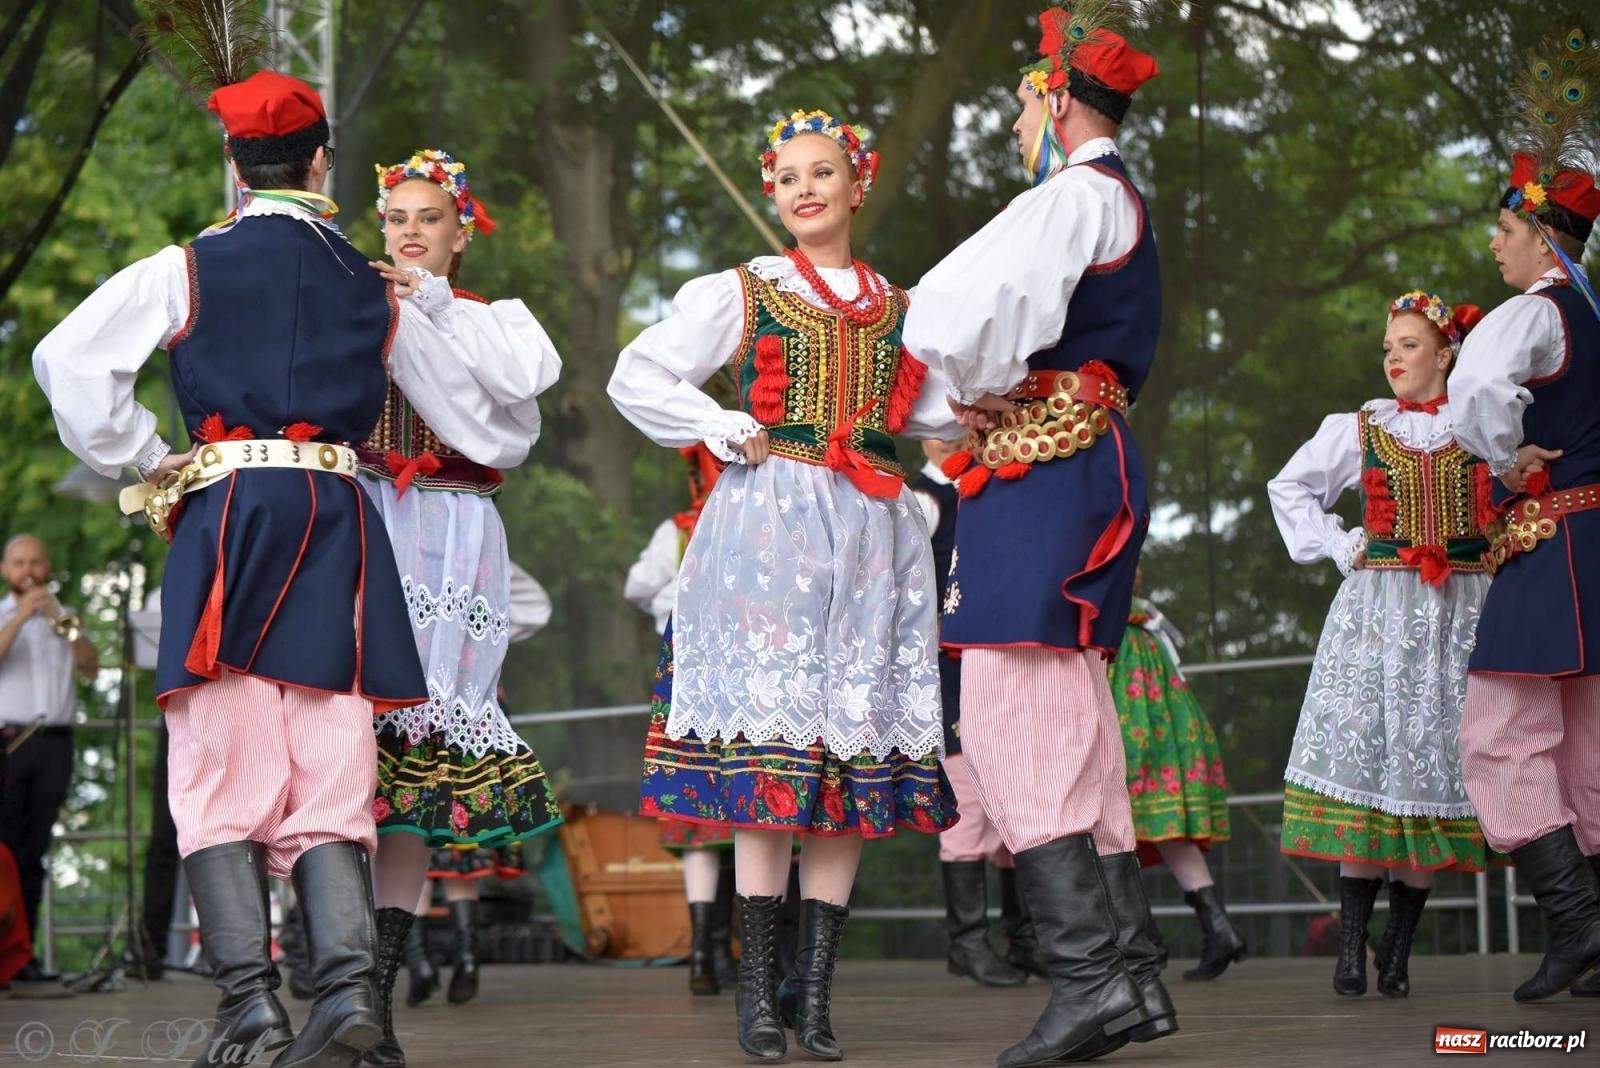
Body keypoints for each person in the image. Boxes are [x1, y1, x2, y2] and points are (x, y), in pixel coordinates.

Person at [31, 61, 497, 1066]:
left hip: (231, 509)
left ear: (235, 164)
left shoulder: (187, 265)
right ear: (320, 159)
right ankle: (346, 996)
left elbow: (66, 363)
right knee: (332, 762)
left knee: (218, 762)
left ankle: (248, 1004)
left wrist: (144, 456)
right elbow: (474, 420)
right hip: (338, 514)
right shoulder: (371, 282)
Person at [610, 107, 962, 1062]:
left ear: (858, 184)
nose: (805, 188)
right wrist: (723, 427)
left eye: (823, 172)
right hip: (768, 527)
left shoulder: (900, 304)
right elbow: (638, 373)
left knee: (843, 762)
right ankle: (758, 995)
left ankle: (817, 998)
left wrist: (983, 405)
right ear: (774, 193)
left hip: (870, 534)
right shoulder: (748, 288)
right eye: (788, 176)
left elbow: (931, 406)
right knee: (773, 754)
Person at [903, 6, 1173, 1064]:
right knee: (1068, 710)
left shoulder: (1069, 195)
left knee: (1015, 711)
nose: (1019, 119)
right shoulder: (1110, 199)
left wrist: (933, 393)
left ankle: (1092, 980)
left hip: (1046, 466)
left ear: (1056, 96)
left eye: (1023, 100)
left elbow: (961, 317)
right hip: (1072, 459)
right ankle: (1132, 977)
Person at [359, 148, 565, 1065]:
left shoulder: (492, 320)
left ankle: (377, 992)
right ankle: (333, 973)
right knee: (346, 744)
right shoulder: (356, 307)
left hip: (453, 532)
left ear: (461, 229)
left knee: (421, 758)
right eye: (397, 216)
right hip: (365, 519)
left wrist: (432, 303)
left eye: (429, 216)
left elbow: (522, 391)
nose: (410, 229)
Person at [1269, 291, 1492, 999]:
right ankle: (1350, 951)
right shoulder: (1363, 426)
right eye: (1388, 347)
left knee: (1431, 771)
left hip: (1454, 617)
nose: (1394, 358)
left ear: (1445, 353)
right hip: (1377, 615)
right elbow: (1291, 486)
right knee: (1367, 766)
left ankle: (1396, 951)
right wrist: (1340, 544)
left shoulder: (1482, 424)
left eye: (1408, 345)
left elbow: (1519, 489)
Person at [1449, 22, 1600, 1003]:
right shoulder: (1590, 317)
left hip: (1552, 542)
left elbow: (1471, 391)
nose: (1493, 245)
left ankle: (1576, 926)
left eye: (1502, 230)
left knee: (1496, 733)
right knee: (1587, 742)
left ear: (1541, 233)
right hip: (1597, 540)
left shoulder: (1535, 311)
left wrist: (1510, 459)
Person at [909, 439, 1029, 989]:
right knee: (969, 794)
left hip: (997, 657)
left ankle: (1023, 939)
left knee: (1011, 793)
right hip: (949, 667)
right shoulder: (923, 498)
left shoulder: (993, 485)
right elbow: (903, 581)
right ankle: (969, 943)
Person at [624, 445, 743, 996]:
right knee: (747, 802)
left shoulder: (678, 531)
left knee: (700, 807)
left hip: (694, 679)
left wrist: (672, 609)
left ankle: (705, 950)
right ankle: (736, 952)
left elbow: (639, 588)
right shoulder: (762, 522)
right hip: (745, 679)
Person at [1111, 569, 1246, 982]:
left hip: (1125, 712)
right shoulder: (1147, 631)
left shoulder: (1119, 630)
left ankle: (1144, 943)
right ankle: (1217, 928)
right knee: (1162, 828)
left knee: (1111, 823)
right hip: (1165, 726)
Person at [0, 533, 97, 984]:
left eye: (36, 562)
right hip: (9, 743)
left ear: (47, 565)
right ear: (6, 570)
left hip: (55, 742)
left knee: (35, 852)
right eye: (19, 563)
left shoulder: (66, 618)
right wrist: (19, 618)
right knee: (6, 850)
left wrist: (61, 618)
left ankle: (26, 957)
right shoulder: (3, 616)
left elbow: (91, 666)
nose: (28, 571)